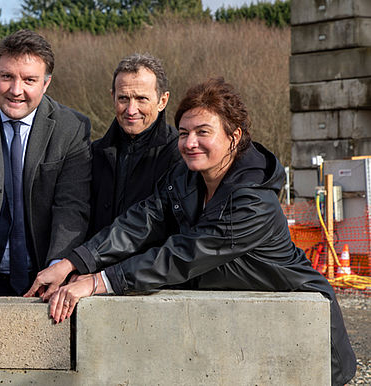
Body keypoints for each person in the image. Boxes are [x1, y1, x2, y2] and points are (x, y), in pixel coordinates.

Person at [25, 78, 356, 385]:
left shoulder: (253, 202)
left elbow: (183, 255)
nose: (190, 143)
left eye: (203, 132)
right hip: (241, 328)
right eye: (183, 133)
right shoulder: (184, 177)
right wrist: (73, 262)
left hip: (303, 331)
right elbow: (141, 221)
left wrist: (98, 281)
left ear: (234, 136)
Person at [0, 30, 91, 302]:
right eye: (7, 76)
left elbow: (71, 205)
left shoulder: (72, 128)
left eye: (29, 80)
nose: (15, 90)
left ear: (46, 83)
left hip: (45, 274)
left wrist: (58, 267)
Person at [89, 53, 181, 236]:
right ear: (113, 97)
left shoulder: (179, 154)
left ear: (162, 101)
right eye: (123, 98)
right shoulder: (94, 153)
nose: (131, 110)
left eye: (141, 99)